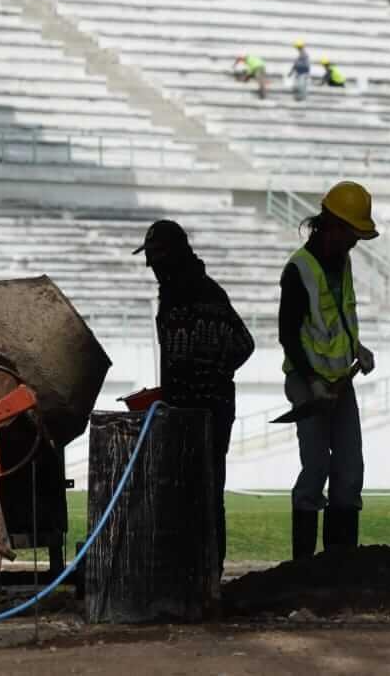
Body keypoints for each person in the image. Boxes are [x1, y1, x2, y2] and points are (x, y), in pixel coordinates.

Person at [134, 219, 255, 576]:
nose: (152, 269)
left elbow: (176, 360)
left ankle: (184, 578)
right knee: (211, 493)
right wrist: (218, 371)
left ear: (167, 258)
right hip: (218, 408)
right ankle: (210, 575)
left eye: (154, 260)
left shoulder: (174, 297)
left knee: (180, 495)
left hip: (186, 412)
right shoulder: (214, 292)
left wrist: (190, 382)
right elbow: (245, 344)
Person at [279, 181, 379, 560]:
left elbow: (341, 315)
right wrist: (312, 381)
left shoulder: (343, 261)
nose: (355, 243)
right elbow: (288, 335)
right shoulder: (298, 269)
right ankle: (303, 567)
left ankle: (341, 563)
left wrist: (358, 348)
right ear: (332, 225)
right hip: (310, 385)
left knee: (350, 470)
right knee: (316, 467)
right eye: (352, 234)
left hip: (341, 383)